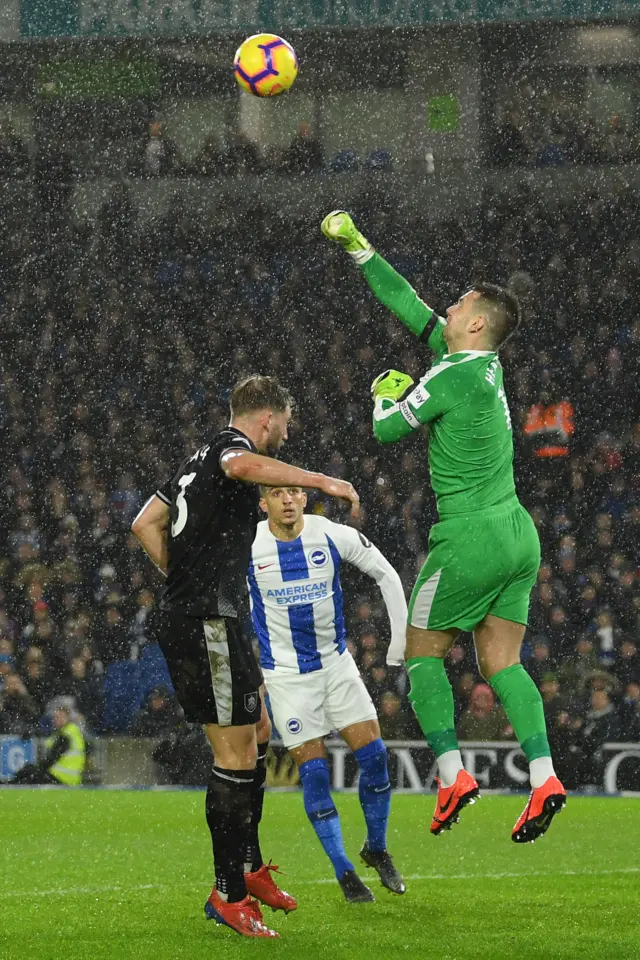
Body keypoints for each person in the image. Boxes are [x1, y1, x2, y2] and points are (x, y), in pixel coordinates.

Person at [322, 211, 566, 843]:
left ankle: (452, 774)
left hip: (469, 538)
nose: (448, 307)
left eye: (459, 303)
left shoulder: (452, 374)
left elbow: (385, 430)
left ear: (477, 321)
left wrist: (383, 391)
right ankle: (543, 777)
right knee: (502, 663)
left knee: (423, 653)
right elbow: (412, 308)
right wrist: (360, 249)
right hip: (517, 532)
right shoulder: (483, 368)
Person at [131, 374, 360, 939]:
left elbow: (144, 523)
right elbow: (242, 467)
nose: (285, 434)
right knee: (233, 755)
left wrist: (183, 581)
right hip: (205, 622)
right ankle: (227, 891)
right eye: (285, 425)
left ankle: (251, 868)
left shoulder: (195, 457)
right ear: (267, 420)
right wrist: (322, 480)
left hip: (210, 617)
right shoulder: (232, 453)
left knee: (257, 731)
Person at [250, 485, 407, 902]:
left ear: (305, 499)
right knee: (315, 775)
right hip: (287, 678)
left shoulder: (330, 535)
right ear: (262, 503)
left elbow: (385, 573)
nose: (287, 499)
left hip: (336, 668)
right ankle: (343, 870)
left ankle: (376, 848)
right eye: (277, 493)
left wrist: (399, 645)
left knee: (375, 759)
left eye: (294, 492)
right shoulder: (247, 548)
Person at [10, 704, 86, 785]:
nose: (57, 719)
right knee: (29, 771)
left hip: (62, 778)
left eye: (60, 717)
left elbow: (51, 759)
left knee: (28, 772)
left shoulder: (65, 735)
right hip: (68, 778)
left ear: (67, 718)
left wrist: (37, 769)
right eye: (55, 717)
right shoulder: (69, 732)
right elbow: (46, 735)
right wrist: (33, 733)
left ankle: (8, 787)